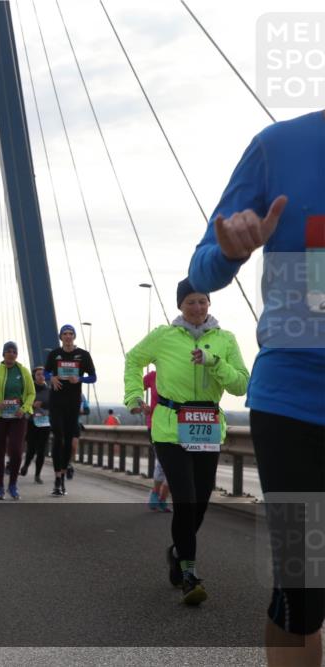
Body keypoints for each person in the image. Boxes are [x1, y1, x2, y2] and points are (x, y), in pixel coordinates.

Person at [187, 109, 325, 663]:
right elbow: (201, 272)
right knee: (304, 593)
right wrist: (230, 248)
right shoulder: (279, 146)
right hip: (297, 404)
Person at [124, 279, 248, 606]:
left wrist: (215, 363)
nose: (197, 307)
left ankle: (178, 552)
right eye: (191, 302)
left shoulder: (225, 339)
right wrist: (134, 394)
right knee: (186, 499)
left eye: (202, 301)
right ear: (180, 305)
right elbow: (134, 359)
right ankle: (190, 575)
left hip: (207, 427)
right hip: (169, 427)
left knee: (201, 501)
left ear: (209, 304)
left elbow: (241, 385)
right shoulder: (164, 336)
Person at [44, 325, 97, 497]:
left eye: (70, 334)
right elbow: (45, 373)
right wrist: (51, 377)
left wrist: (80, 378)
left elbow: (94, 377)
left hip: (73, 403)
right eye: (64, 334)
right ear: (60, 337)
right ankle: (57, 478)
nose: (67, 336)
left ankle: (63, 474)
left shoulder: (83, 355)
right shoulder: (54, 354)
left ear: (74, 336)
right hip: (56, 402)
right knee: (58, 437)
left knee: (68, 440)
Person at [0, 342, 35, 500]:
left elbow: (31, 394)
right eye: (8, 351)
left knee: (16, 450)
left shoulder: (24, 371)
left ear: (17, 354)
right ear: (3, 354)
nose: (11, 354)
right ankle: (0, 487)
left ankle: (13, 484)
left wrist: (24, 408)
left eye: (14, 351)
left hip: (17, 417)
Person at [143, 370, 171, 512]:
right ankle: (157, 495)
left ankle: (162, 497)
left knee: (176, 465)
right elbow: (135, 387)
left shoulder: (181, 373)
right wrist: (141, 404)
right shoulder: (152, 376)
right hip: (155, 425)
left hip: (178, 425)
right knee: (163, 462)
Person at [20, 366, 51, 484]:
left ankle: (37, 475)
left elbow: (53, 405)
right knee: (31, 448)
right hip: (31, 422)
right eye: (38, 374)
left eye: (43, 374)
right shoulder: (28, 390)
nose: (41, 376)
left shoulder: (49, 390)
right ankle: (26, 466)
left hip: (45, 423)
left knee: (42, 450)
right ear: (34, 376)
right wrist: (32, 405)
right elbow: (21, 403)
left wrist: (43, 404)